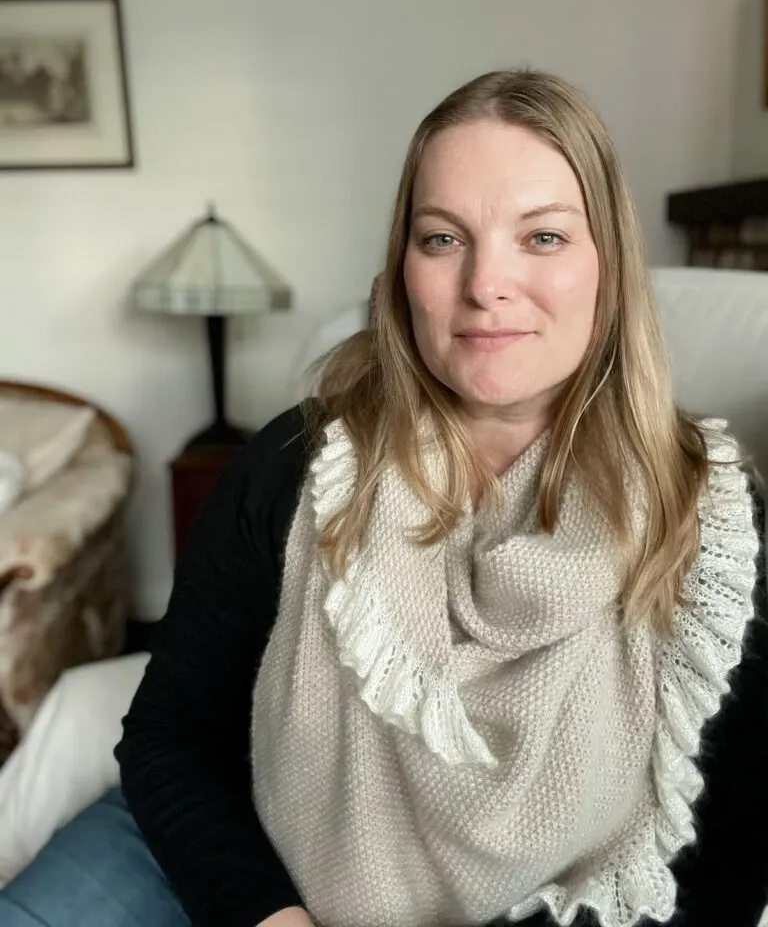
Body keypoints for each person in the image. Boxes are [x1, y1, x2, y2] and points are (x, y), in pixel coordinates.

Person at [0, 69, 765, 927]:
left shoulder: (719, 527)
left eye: (542, 238)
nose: (485, 285)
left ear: (610, 267)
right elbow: (170, 738)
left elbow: (723, 865)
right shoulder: (291, 466)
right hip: (247, 865)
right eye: (443, 239)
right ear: (403, 268)